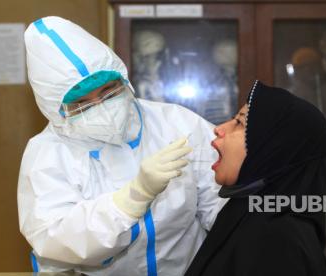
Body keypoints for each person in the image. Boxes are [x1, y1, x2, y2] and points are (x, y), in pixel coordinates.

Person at [17, 16, 226, 275]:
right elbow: (55, 239)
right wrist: (132, 199)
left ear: (124, 80)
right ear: (56, 109)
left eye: (108, 91)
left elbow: (222, 206)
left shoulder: (177, 123)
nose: (102, 107)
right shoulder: (47, 154)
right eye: (82, 103)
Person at [185, 80, 326, 276]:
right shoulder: (247, 212)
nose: (219, 128)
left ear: (273, 149)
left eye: (239, 122)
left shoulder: (277, 241)